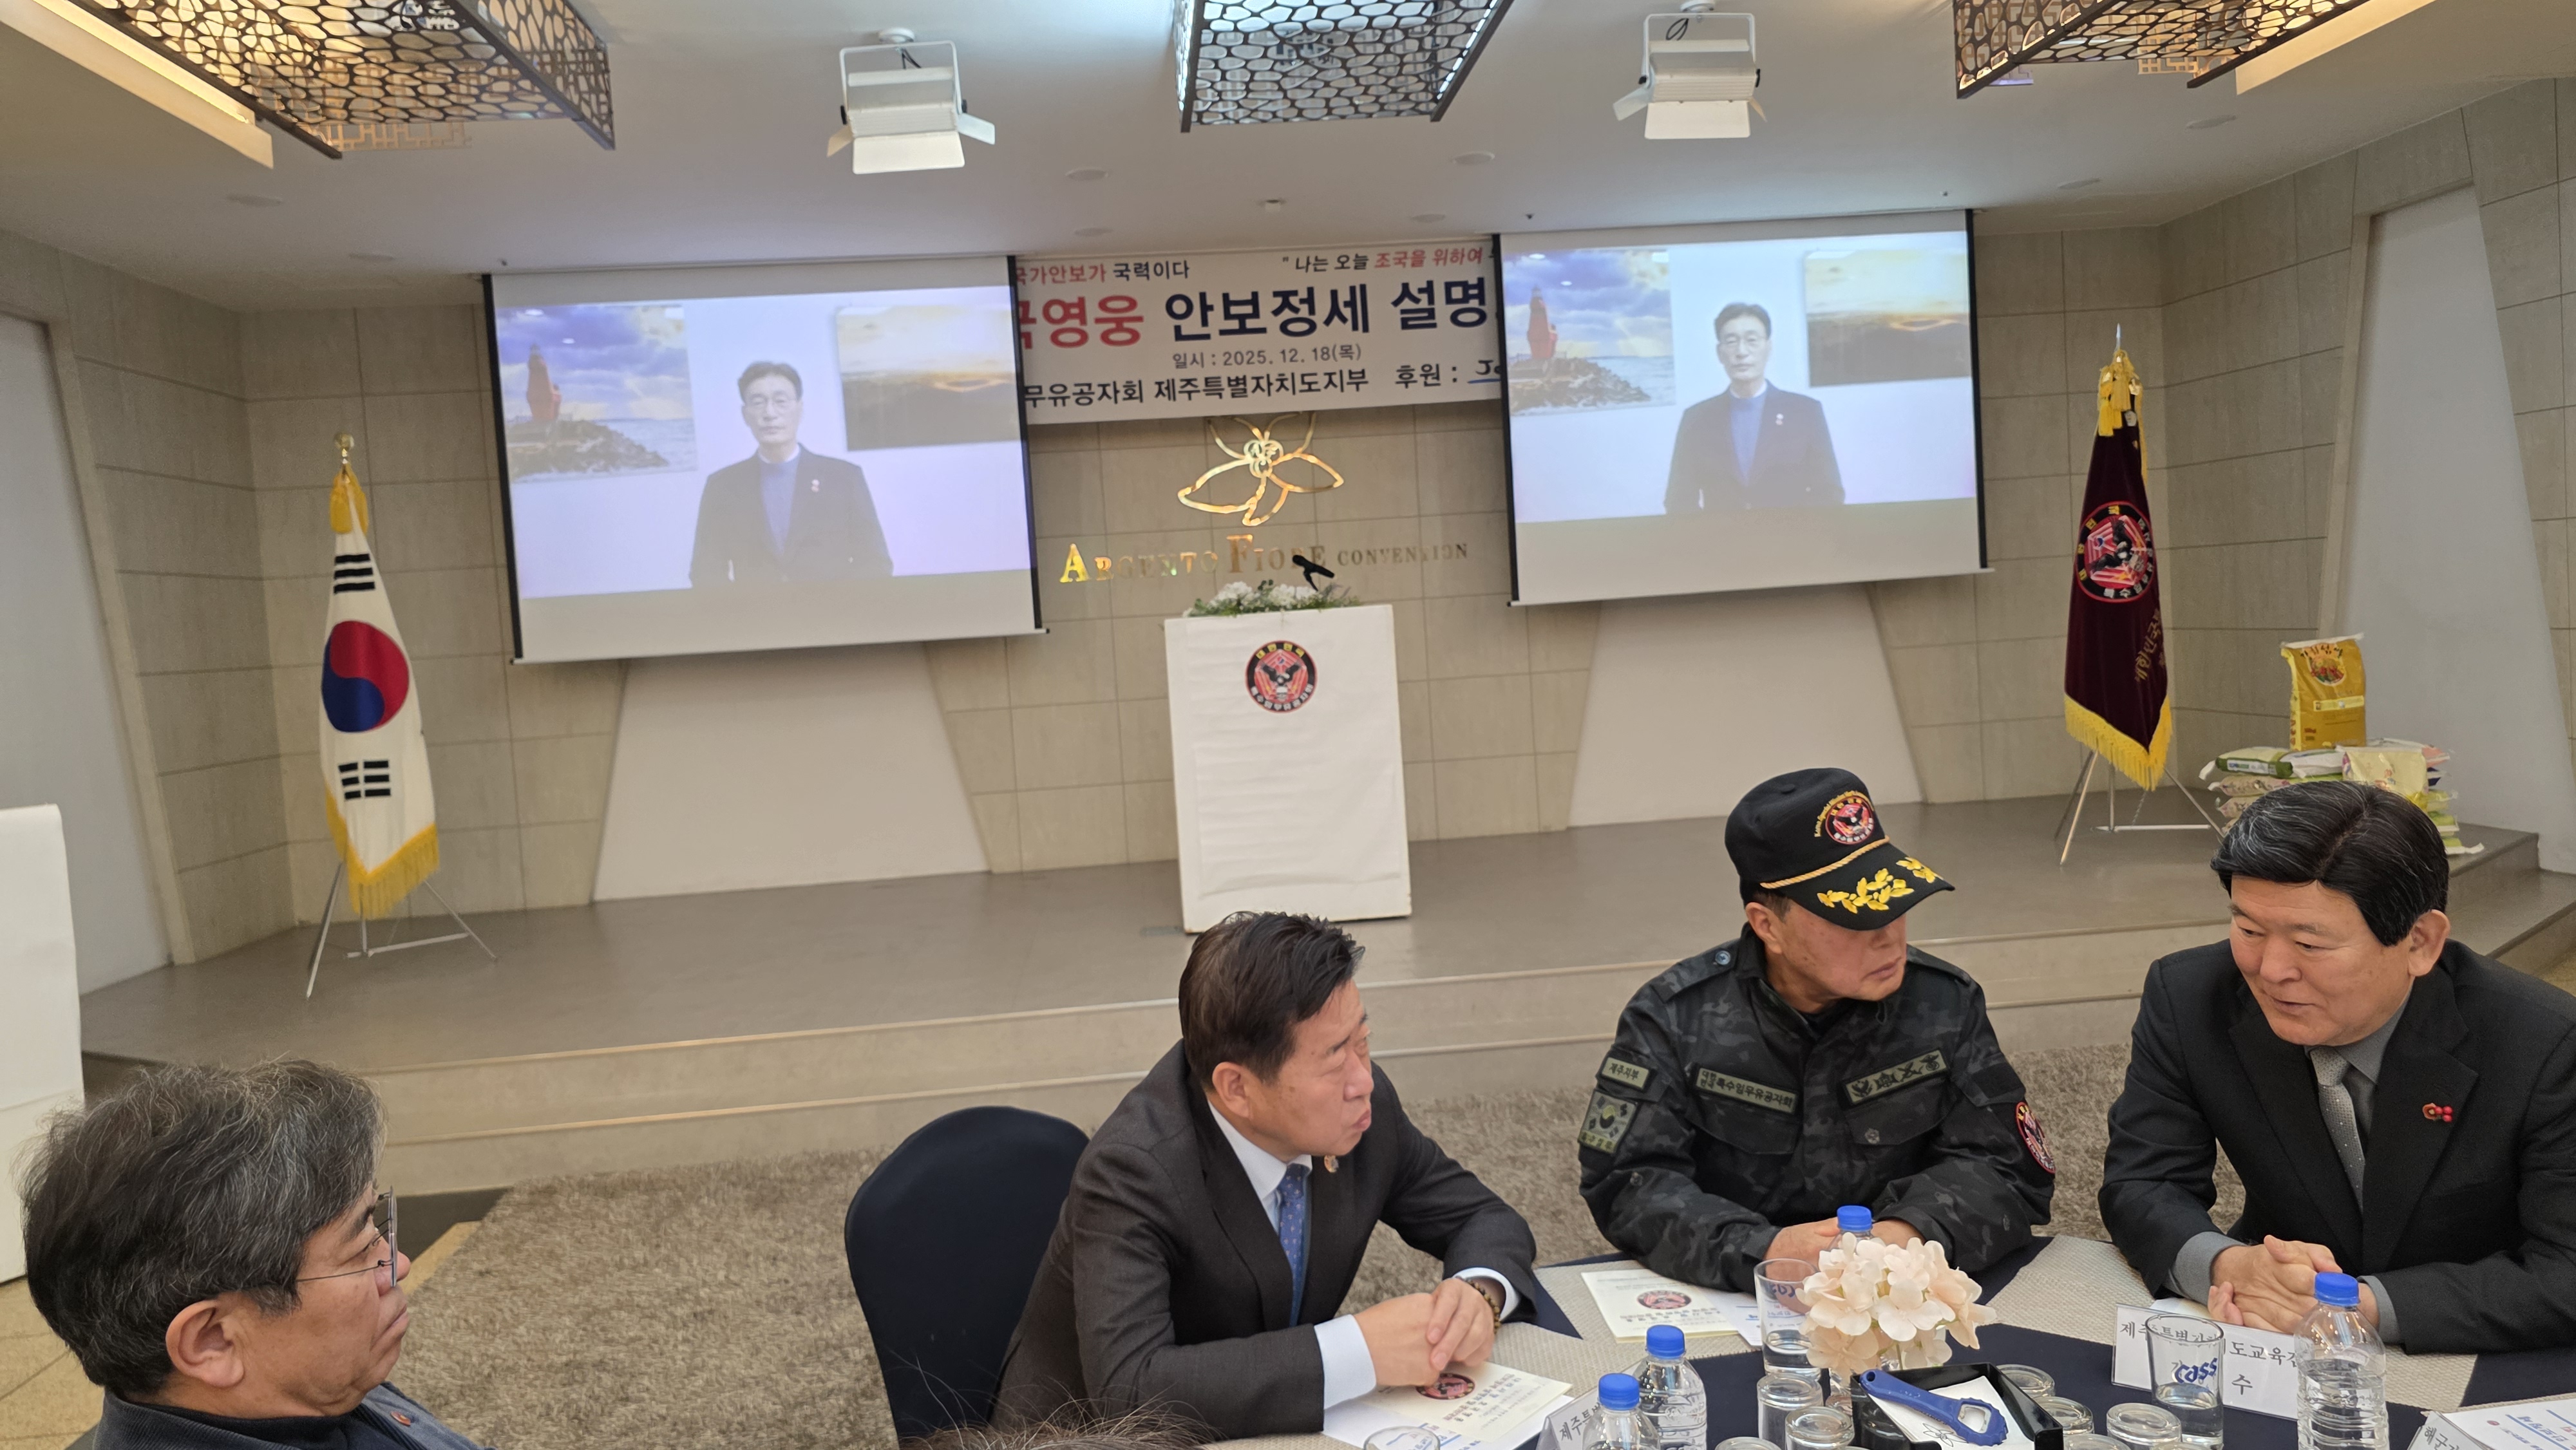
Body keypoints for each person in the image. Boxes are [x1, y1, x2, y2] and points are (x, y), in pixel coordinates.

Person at [996, 912, 1540, 1440]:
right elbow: (1129, 1391)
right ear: (1236, 1088)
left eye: (1364, 1040)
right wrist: (1358, 1350)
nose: (1364, 1080)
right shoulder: (1134, 1171)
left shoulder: (1361, 1112)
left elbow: (1482, 1216)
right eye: (1335, 1060)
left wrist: (1479, 1294)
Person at [2101, 780, 2576, 1354]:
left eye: (2310, 944)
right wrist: (2229, 1266)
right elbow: (2144, 1181)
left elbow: (2565, 1270)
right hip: (2268, 1328)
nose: (2271, 970)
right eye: (2249, 930)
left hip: (2474, 1342)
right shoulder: (2190, 997)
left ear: (2420, 942)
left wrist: (2353, 1305)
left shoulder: (2545, 1044)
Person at [1578, 767, 2054, 1290]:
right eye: (1853, 917)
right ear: (1768, 925)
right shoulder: (1673, 1019)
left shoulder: (1944, 1002)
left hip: (1899, 1289)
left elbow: (2008, 1169)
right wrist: (1766, 1251)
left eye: (1895, 902)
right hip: (1738, 1293)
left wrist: (1906, 1234)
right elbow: (1628, 1184)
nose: (1888, 937)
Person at [17, 1059, 489, 1450]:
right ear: (214, 1341)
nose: (398, 1266)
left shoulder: (300, 1390)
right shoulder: (301, 1384)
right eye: (361, 1249)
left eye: (374, 1224)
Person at [688, 361, 892, 586]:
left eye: (781, 401)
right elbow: (705, 572)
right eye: (758, 403)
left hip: (831, 608)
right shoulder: (723, 486)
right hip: (756, 609)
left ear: (799, 409)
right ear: (745, 414)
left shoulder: (844, 478)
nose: (769, 413)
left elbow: (875, 563)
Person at [1663, 303, 1842, 513]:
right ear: (1720, 353)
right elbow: (1679, 500)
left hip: (1790, 533)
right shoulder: (1697, 419)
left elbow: (1829, 493)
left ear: (1768, 348)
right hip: (1721, 534)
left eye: (1752, 341)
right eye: (1731, 342)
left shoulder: (1805, 412)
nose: (1741, 352)